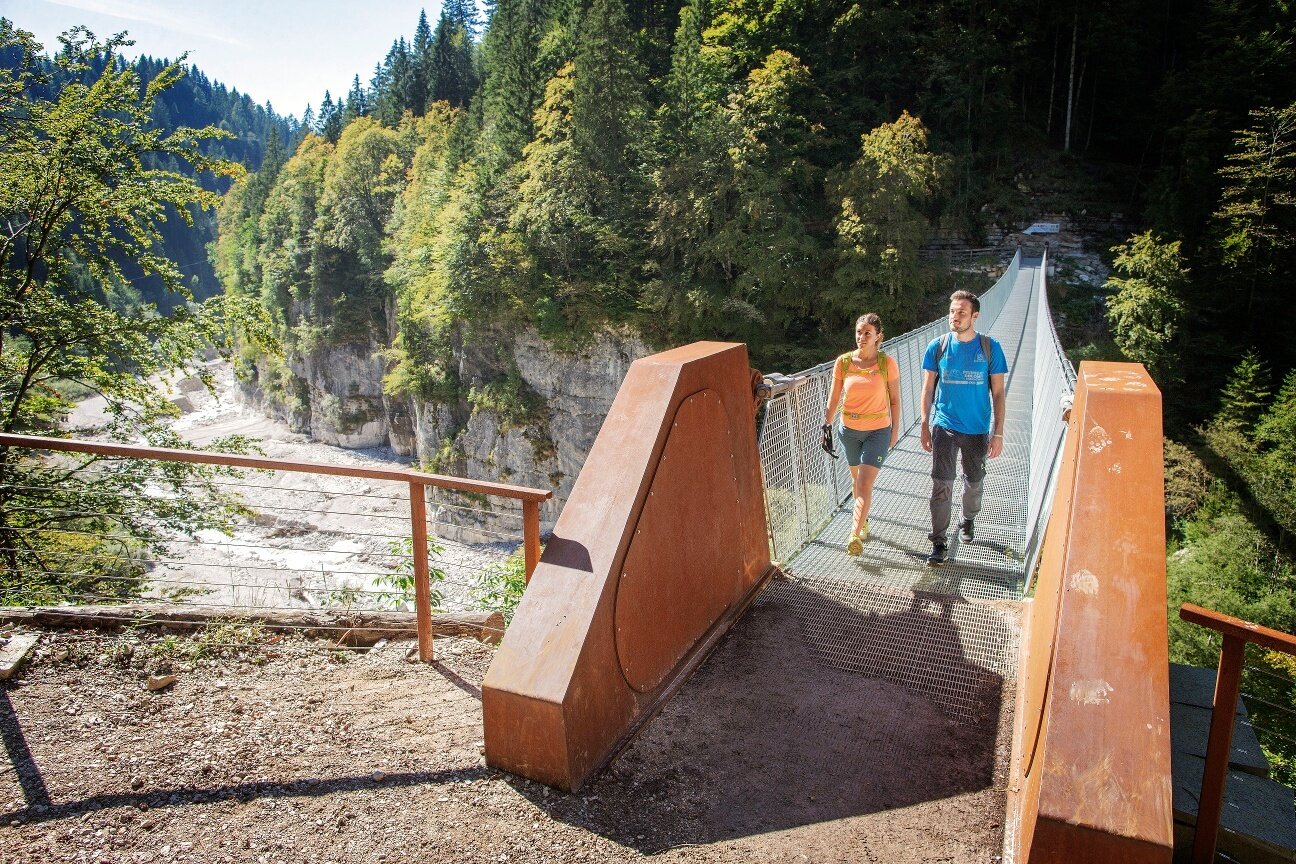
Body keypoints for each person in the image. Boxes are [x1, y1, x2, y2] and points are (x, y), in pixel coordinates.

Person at [919, 290, 1008, 566]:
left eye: (961, 312)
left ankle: (968, 519)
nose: (954, 317)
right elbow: (928, 388)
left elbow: (998, 393)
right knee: (941, 484)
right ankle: (939, 542)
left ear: (975, 316)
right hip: (944, 425)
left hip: (977, 428)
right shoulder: (938, 346)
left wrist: (998, 432)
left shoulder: (990, 348)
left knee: (974, 482)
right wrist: (924, 423)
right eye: (952, 311)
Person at [822, 313, 902, 556]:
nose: (862, 337)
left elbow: (895, 400)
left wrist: (894, 431)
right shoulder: (844, 362)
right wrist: (826, 426)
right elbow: (834, 398)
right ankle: (863, 520)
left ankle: (854, 534)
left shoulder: (887, 363)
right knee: (857, 480)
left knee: (865, 482)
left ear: (878, 336)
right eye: (859, 332)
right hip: (849, 431)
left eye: (868, 333)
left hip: (878, 431)